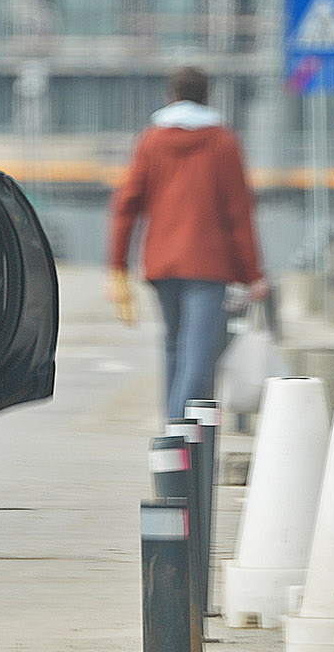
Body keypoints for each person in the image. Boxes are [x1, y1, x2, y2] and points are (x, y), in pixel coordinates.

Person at [106, 66, 268, 421]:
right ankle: (180, 432)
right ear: (208, 95)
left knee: (175, 344)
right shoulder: (223, 142)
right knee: (199, 350)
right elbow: (239, 212)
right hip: (209, 263)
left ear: (172, 96)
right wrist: (252, 273)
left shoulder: (151, 141)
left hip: (161, 261)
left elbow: (126, 205)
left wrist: (117, 264)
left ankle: (173, 429)